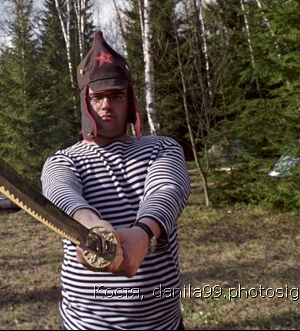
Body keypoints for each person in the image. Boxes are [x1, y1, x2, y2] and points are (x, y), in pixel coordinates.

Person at [41, 31, 190, 330]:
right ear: (86, 103)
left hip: (161, 324)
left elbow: (167, 189)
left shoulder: (161, 147)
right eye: (97, 97)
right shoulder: (64, 159)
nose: (106, 105)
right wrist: (87, 225)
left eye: (116, 96)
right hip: (87, 324)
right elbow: (60, 189)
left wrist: (144, 234)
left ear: (129, 99)